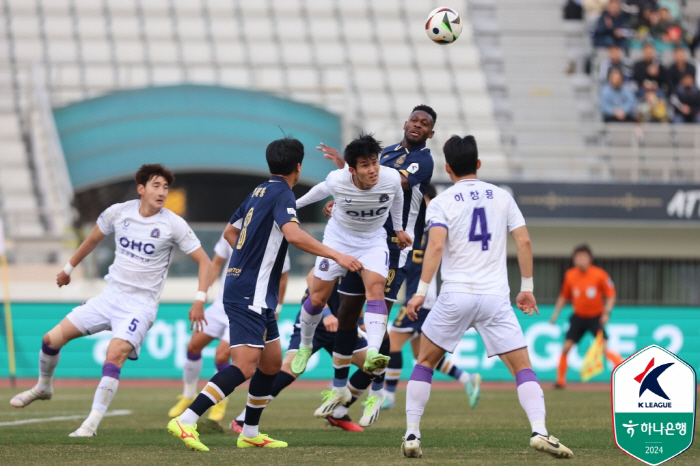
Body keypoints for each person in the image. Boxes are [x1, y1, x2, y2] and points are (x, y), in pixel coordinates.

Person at [167, 137, 363, 451]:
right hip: (249, 292)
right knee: (245, 366)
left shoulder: (259, 190)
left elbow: (231, 232)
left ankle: (250, 431)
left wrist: (247, 259)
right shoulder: (283, 193)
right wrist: (336, 255)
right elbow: (294, 235)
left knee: (271, 364)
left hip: (255, 291)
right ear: (298, 167)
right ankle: (187, 420)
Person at [400, 135, 573, 459]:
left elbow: (436, 246)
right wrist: (527, 289)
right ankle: (539, 430)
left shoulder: (442, 202)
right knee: (523, 368)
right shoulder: (503, 197)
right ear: (478, 164)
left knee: (424, 362)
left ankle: (412, 434)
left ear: (448, 168)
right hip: (495, 297)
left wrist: (420, 293)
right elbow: (524, 242)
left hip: (455, 296)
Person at [10, 164, 213, 438]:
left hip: (140, 307)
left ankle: (90, 424)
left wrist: (199, 299)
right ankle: (43, 387)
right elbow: (92, 239)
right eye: (156, 185)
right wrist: (68, 269)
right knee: (50, 340)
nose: (162, 192)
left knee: (114, 355)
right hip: (109, 297)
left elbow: (205, 262)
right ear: (141, 189)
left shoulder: (173, 224)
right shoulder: (119, 212)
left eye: (165, 187)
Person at [312, 106, 437, 423]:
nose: (417, 126)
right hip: (361, 240)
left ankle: (375, 394)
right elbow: (364, 179)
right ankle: (343, 395)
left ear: (430, 133)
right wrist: (343, 192)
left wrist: (346, 179)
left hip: (393, 246)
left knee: (382, 329)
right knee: (348, 314)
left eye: (425, 124)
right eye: (415, 120)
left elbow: (385, 185)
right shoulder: (388, 152)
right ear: (405, 122)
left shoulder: (422, 162)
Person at [290, 134, 411, 382]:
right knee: (317, 297)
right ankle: (304, 346)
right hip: (338, 241)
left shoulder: (390, 178)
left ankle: (374, 352)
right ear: (352, 170)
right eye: (365, 165)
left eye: (374, 162)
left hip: (372, 241)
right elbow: (317, 192)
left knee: (376, 288)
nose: (373, 169)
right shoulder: (338, 180)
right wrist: (290, 206)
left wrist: (398, 228)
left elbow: (397, 198)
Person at [167, 233, 291, 423]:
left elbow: (282, 277)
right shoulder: (235, 231)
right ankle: (188, 394)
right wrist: (202, 295)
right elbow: (216, 264)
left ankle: (219, 402)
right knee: (193, 347)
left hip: (246, 307)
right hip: (221, 304)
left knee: (223, 355)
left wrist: (278, 307)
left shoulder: (276, 238)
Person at [230, 272, 375, 433]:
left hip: (343, 325)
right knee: (288, 370)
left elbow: (355, 295)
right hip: (313, 323)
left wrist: (361, 322)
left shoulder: (367, 259)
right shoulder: (340, 250)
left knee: (373, 367)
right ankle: (242, 419)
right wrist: (326, 315)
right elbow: (311, 279)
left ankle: (338, 413)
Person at [383, 184, 482, 410]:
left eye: (421, 200)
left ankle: (388, 395)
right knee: (422, 354)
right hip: (422, 297)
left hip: (423, 297)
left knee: (393, 342)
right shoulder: (417, 228)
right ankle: (466, 377)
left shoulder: (434, 229)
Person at [549, 245, 624, 389]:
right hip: (578, 318)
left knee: (604, 349)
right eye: (577, 257)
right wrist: (555, 314)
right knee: (566, 348)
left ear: (590, 259)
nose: (580, 260)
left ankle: (625, 375)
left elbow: (611, 295)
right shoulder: (570, 275)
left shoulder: (600, 274)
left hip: (596, 317)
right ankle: (560, 381)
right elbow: (564, 297)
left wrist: (606, 312)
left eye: (583, 257)